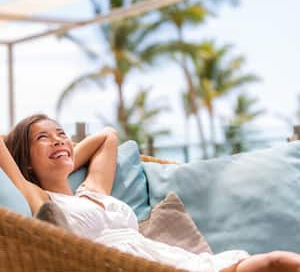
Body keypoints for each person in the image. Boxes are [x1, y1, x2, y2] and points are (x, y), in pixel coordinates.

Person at [0, 113, 299, 272]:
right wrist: (42, 165)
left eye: (61, 134)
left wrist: (65, 158)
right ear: (25, 158)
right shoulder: (38, 197)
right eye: (43, 138)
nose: (57, 140)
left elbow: (108, 135)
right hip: (127, 267)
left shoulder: (91, 190)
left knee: (277, 263)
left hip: (179, 260)